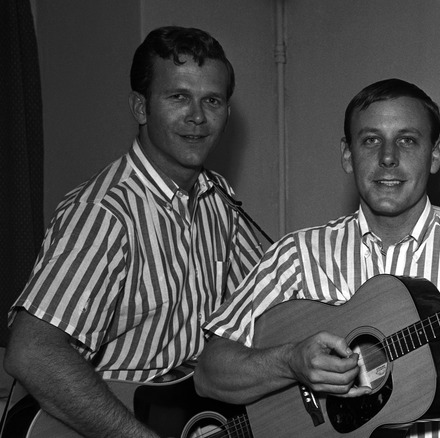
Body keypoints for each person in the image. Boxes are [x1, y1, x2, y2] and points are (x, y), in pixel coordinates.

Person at [193, 78, 440, 437]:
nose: (387, 158)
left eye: (407, 140)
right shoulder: (297, 255)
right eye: (370, 140)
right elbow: (209, 374)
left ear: (434, 155)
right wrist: (291, 361)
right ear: (347, 155)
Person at [4, 26, 264, 437]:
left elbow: (270, 304)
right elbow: (32, 352)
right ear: (140, 108)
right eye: (178, 97)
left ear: (227, 113)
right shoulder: (104, 212)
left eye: (212, 100)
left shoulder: (219, 201)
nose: (197, 116)